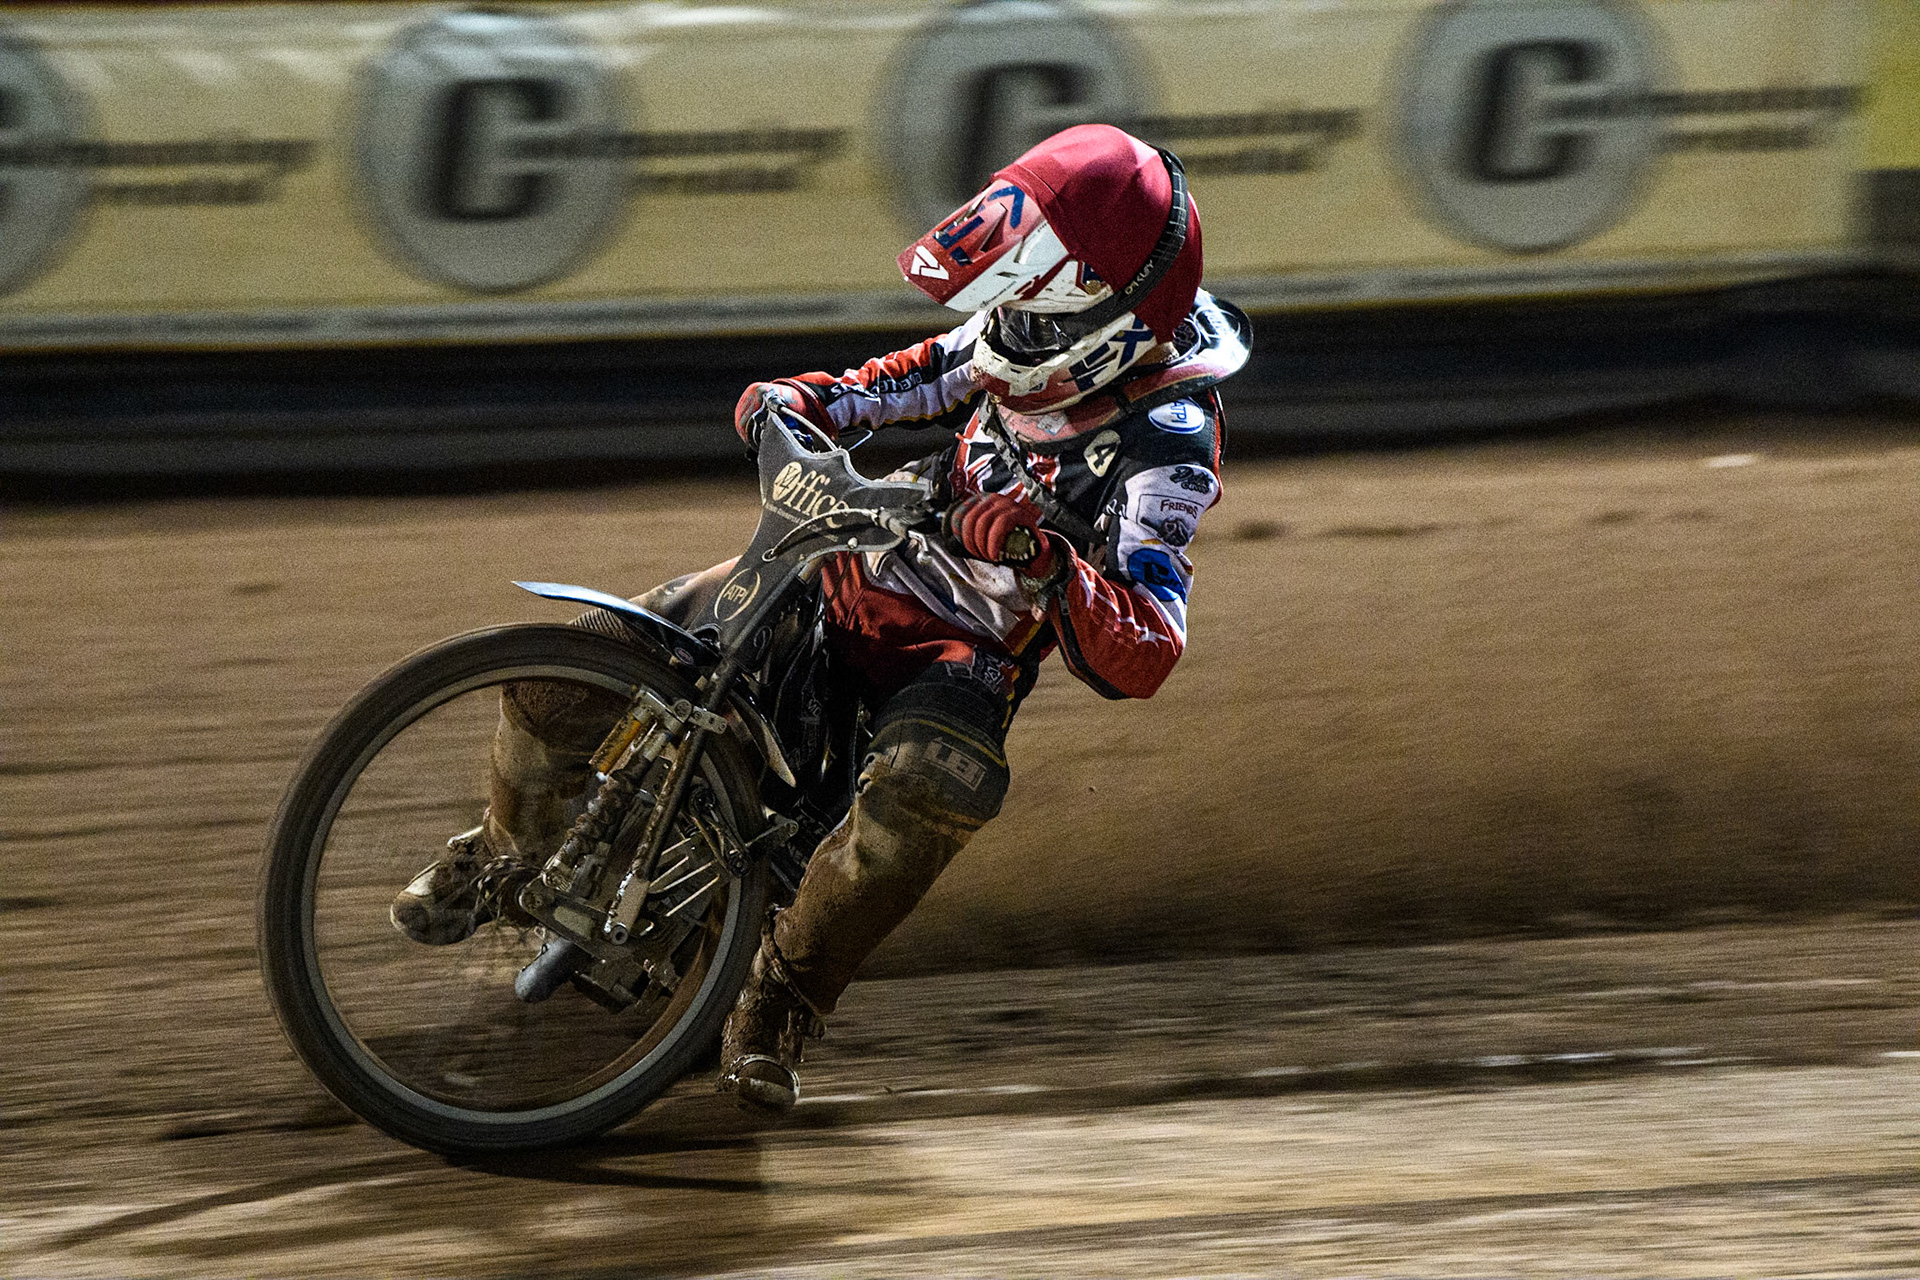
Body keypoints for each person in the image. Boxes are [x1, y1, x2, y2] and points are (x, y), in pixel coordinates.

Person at [389, 123, 1250, 1114]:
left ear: (1104, 313)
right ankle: (502, 846)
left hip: (959, 655)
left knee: (936, 784)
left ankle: (783, 998)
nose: (1004, 323)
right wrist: (798, 401)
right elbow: (902, 378)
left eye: (1030, 303)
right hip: (849, 552)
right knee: (577, 666)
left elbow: (1149, 641)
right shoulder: (1022, 335)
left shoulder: (1168, 448)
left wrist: (1042, 556)